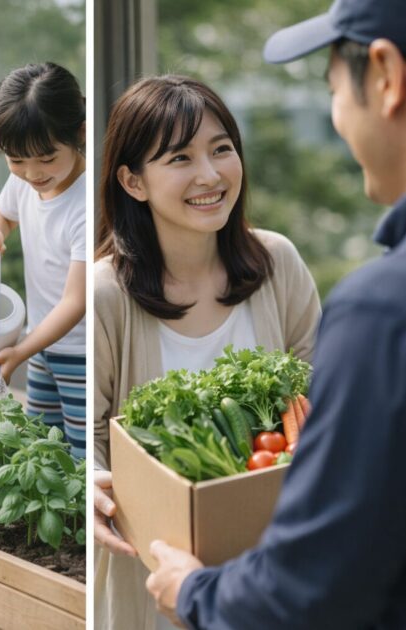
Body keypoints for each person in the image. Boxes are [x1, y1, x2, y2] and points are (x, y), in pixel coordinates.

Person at [145, 2, 406, 628]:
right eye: (179, 158)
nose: (208, 174)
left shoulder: (381, 311)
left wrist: (194, 593)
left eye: (333, 89)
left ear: (386, 77)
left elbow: (313, 586)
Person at [93, 75, 321, 630]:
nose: (211, 175)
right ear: (133, 181)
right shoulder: (107, 293)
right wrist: (91, 486)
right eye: (180, 158)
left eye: (221, 149)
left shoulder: (278, 263)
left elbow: (322, 392)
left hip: (270, 563)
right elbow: (90, 436)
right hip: (154, 568)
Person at [0, 62, 88, 458]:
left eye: (46, 158)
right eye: (16, 159)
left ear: (81, 134)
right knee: (43, 446)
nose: (32, 173)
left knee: (81, 454)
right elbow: (1, 215)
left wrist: (20, 350)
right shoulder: (25, 180)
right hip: (42, 348)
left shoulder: (86, 204)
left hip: (82, 353)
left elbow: (76, 301)